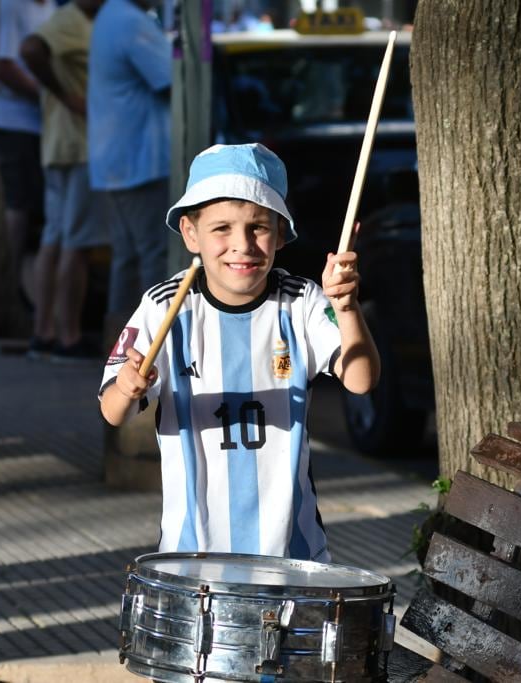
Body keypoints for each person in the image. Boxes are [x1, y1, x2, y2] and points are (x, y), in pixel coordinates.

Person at [98, 144, 380, 561]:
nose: (242, 245)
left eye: (258, 227)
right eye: (221, 229)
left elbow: (361, 379)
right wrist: (127, 386)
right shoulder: (163, 306)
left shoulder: (301, 301)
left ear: (281, 233)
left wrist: (346, 307)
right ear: (191, 233)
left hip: (292, 556)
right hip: (191, 560)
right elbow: (113, 411)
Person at [21, 0, 107, 361]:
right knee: (76, 243)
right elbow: (30, 50)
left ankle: (45, 332)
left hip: (62, 146)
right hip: (77, 147)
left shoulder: (80, 22)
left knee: (56, 239)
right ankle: (66, 337)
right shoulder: (70, 20)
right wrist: (65, 95)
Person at [88, 0, 172, 317]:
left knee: (129, 257)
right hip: (140, 162)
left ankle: (118, 343)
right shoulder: (129, 20)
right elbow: (171, 80)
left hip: (120, 159)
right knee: (152, 256)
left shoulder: (112, 14)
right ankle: (152, 344)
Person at [0, 0, 56, 311]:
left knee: (37, 214)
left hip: (43, 128)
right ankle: (7, 286)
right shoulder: (12, 6)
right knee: (17, 208)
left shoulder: (51, 9)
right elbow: (3, 65)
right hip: (14, 122)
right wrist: (49, 94)